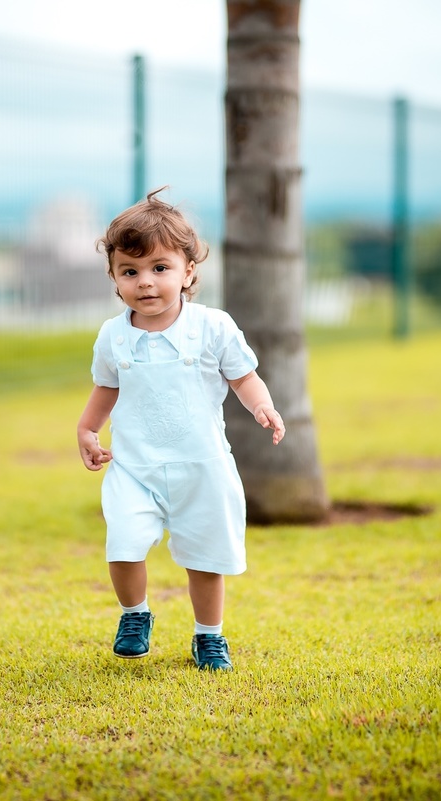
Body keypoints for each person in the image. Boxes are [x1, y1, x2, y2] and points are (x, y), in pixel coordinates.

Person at [76, 188, 285, 671]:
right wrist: (87, 430)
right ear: (114, 278)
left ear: (188, 271)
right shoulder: (113, 336)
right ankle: (135, 614)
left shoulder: (213, 327)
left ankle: (208, 636)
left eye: (160, 268)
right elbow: (106, 388)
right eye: (130, 271)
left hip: (203, 467)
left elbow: (243, 377)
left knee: (205, 558)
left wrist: (262, 407)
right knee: (123, 543)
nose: (145, 282)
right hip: (135, 467)